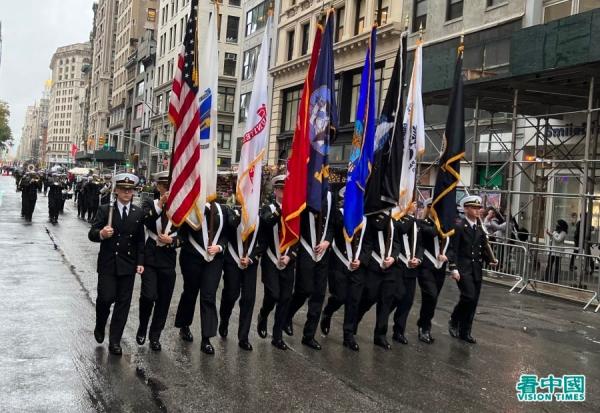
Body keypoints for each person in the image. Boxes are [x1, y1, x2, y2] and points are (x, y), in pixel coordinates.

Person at [88, 173, 145, 356]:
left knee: (123, 303)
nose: (127, 193)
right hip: (108, 263)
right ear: (117, 191)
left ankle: (115, 341)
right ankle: (100, 323)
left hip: (127, 264)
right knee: (105, 298)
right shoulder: (106, 210)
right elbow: (92, 233)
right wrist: (102, 234)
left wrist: (140, 262)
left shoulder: (138, 213)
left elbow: (140, 241)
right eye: (123, 189)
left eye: (130, 190)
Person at [320, 187, 372, 351]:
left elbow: (368, 244)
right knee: (340, 296)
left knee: (354, 301)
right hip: (339, 262)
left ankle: (348, 335)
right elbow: (330, 231)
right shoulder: (339, 214)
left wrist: (362, 260)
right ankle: (328, 312)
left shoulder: (365, 219)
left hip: (357, 266)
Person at [174, 200, 227, 355]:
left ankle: (206, 338)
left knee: (208, 296)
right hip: (192, 257)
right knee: (190, 293)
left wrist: (220, 247)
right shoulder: (191, 205)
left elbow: (226, 234)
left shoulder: (222, 209)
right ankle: (184, 325)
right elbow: (181, 232)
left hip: (214, 260)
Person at [285, 184, 333, 351]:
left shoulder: (330, 196)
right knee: (303, 290)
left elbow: (333, 222)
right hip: (306, 247)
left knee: (319, 295)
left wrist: (328, 240)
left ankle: (309, 335)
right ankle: (287, 315)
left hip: (323, 252)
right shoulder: (305, 192)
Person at [136, 171, 181, 352]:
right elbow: (145, 220)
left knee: (163, 300)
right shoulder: (150, 203)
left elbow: (185, 235)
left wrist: (174, 241)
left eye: (171, 187)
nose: (168, 190)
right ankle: (142, 326)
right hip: (150, 255)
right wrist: (161, 205)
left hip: (168, 258)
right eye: (164, 186)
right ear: (158, 187)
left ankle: (155, 335)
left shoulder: (180, 209)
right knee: (148, 295)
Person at [447, 195, 498, 344]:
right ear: (466, 209)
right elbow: (453, 249)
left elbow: (482, 248)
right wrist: (453, 268)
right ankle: (454, 318)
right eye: (474, 208)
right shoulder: (459, 226)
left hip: (476, 269)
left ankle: (465, 331)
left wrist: (491, 260)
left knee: (473, 301)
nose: (478, 210)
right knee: (468, 296)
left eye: (479, 208)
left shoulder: (479, 227)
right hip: (463, 268)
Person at [256, 175, 297, 351]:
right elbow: (266, 222)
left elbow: (298, 237)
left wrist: (291, 255)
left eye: (286, 189)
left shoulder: (295, 212)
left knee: (285, 299)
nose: (283, 191)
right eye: (280, 189)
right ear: (275, 191)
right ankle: (263, 315)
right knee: (273, 295)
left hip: (287, 260)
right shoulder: (268, 209)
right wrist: (281, 210)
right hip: (271, 259)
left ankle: (277, 336)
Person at [218, 202, 264, 351]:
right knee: (231, 295)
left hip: (250, 263)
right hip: (232, 260)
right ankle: (224, 320)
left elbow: (264, 242)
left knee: (248, 299)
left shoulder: (260, 217)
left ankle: (243, 337)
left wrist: (251, 257)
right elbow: (228, 228)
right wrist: (239, 216)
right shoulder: (233, 213)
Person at [356, 210, 400, 350]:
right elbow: (367, 242)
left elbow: (397, 243)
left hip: (390, 268)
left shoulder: (393, 221)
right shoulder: (372, 219)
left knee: (386, 302)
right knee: (369, 297)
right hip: (374, 265)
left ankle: (380, 335)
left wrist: (393, 257)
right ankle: (355, 319)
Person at [416, 199, 450, 344]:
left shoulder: (447, 227)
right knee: (431, 294)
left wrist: (448, 256)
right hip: (426, 266)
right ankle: (424, 327)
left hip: (439, 268)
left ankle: (425, 323)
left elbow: (452, 246)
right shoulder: (422, 223)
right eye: (434, 207)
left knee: (433, 299)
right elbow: (431, 232)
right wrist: (442, 221)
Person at [391, 202, 423, 345]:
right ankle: (381, 326)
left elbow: (421, 245)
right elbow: (402, 230)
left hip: (412, 267)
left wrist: (419, 258)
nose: (415, 205)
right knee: (395, 297)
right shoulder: (396, 220)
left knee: (407, 301)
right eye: (413, 203)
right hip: (398, 265)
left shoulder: (416, 223)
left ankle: (399, 331)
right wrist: (406, 215)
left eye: (416, 203)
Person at [544, 219, 568, 284]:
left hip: (558, 251)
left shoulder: (563, 233)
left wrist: (553, 235)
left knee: (557, 266)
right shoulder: (555, 231)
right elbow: (553, 238)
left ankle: (555, 280)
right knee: (549, 265)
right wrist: (549, 234)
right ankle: (546, 278)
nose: (556, 225)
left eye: (557, 224)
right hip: (552, 250)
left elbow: (558, 239)